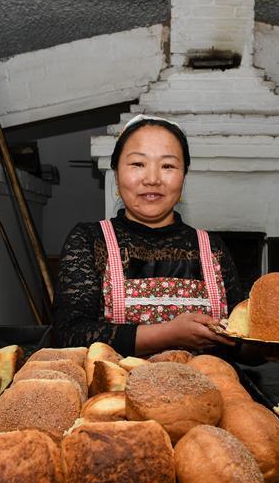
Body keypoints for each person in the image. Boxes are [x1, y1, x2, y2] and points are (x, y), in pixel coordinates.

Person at [53, 114, 244, 357]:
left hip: (208, 391)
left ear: (184, 176)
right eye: (137, 164)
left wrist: (269, 348)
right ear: (116, 173)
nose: (152, 179)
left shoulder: (212, 248)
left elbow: (240, 338)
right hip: (118, 391)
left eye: (168, 166)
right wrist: (168, 334)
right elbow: (69, 335)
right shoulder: (89, 240)